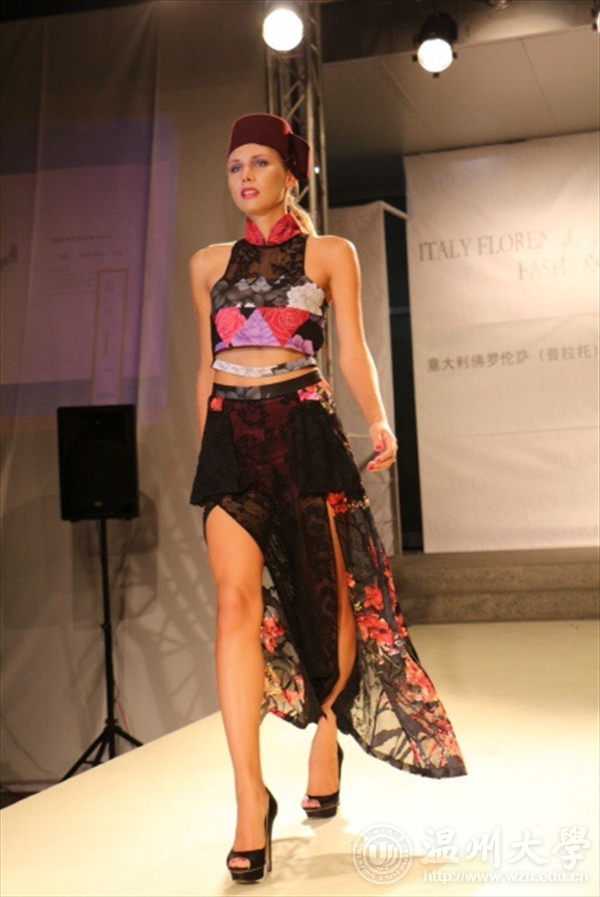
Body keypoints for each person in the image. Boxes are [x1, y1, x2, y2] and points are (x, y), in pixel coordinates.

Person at [190, 113, 466, 883]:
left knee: (332, 605)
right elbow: (207, 367)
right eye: (235, 165)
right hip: (233, 443)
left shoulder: (330, 253)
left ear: (291, 174)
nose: (245, 176)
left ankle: (325, 729)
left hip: (306, 434)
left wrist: (377, 417)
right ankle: (250, 799)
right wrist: (205, 454)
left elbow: (353, 349)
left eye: (260, 163)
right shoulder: (207, 264)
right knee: (234, 606)